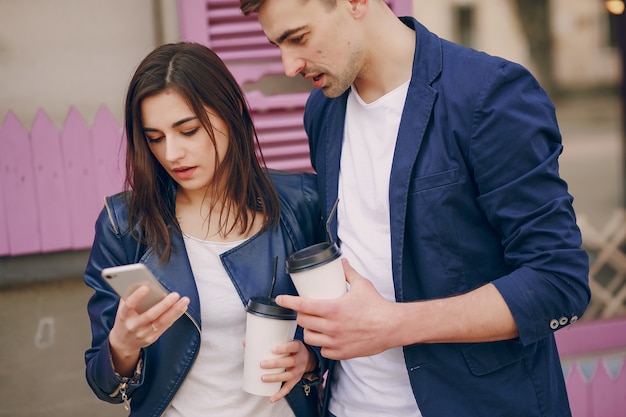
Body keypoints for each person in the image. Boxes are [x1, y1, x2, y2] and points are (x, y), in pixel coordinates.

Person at [240, 1, 591, 416]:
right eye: (277, 45)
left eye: (298, 38)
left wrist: (392, 326)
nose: (288, 65)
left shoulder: (488, 94)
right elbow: (363, 263)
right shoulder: (323, 110)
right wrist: (315, 355)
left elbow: (558, 283)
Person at [83, 42, 325, 417]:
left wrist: (309, 360)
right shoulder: (125, 224)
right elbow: (103, 384)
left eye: (189, 130)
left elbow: (343, 329)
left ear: (234, 113)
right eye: (155, 138)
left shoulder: (302, 203)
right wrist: (123, 345)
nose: (171, 154)